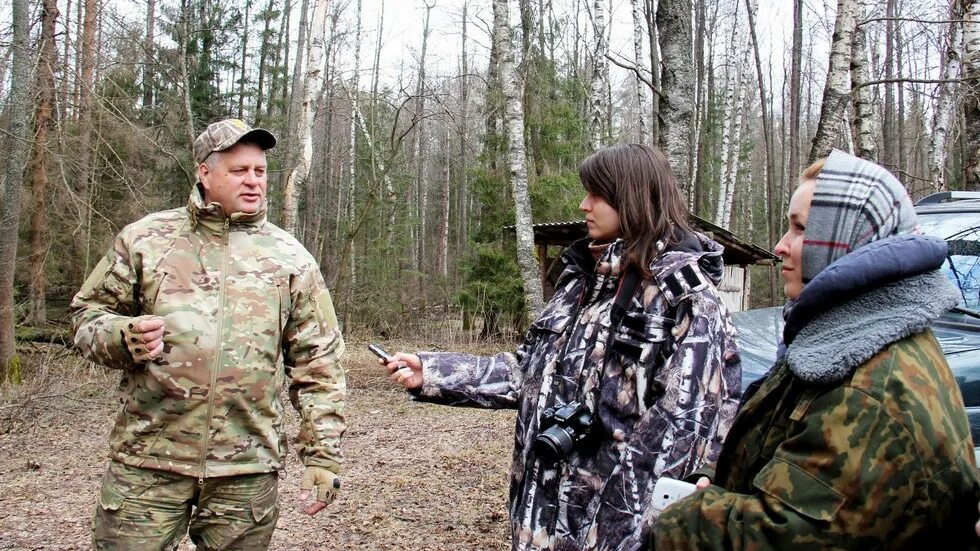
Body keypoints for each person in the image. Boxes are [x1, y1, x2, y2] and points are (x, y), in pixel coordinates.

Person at [382, 144, 742, 551]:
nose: (584, 205)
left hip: (613, 537)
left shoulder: (686, 300)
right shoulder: (579, 285)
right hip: (538, 524)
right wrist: (430, 371)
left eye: (597, 195)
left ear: (633, 198)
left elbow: (685, 435)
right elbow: (526, 372)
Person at [653, 150, 980, 549]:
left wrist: (682, 517)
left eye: (800, 228)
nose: (779, 246)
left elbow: (789, 535)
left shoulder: (870, 388)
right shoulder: (842, 339)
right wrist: (717, 478)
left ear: (843, 242)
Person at [71, 118, 347, 550]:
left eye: (260, 171)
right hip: (149, 459)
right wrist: (123, 336)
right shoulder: (146, 239)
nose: (253, 181)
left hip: (246, 468)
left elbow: (320, 362)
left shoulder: (290, 258)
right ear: (205, 171)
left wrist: (323, 452)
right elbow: (87, 317)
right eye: (239, 171)